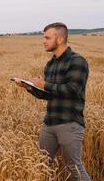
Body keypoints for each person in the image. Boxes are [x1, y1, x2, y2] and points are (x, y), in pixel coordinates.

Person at [14, 22, 90, 180]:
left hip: (70, 123)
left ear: (60, 39)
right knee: (41, 165)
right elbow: (49, 94)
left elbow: (72, 90)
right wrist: (30, 88)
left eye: (47, 37)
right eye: (44, 37)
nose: (44, 41)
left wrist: (45, 84)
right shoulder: (50, 64)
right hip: (49, 123)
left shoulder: (77, 61)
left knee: (74, 166)